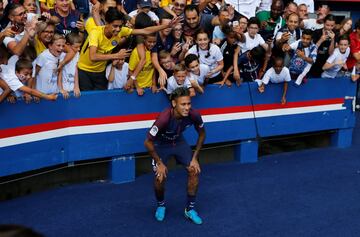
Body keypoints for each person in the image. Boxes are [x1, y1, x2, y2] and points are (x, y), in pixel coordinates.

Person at [144, 87, 205, 224]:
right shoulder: (163, 118)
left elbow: (202, 134)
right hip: (161, 145)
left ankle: (189, 209)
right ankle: (161, 205)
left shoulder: (194, 114)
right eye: (183, 104)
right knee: (160, 178)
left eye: (189, 103)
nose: (187, 107)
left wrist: (195, 158)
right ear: (174, 104)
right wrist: (159, 163)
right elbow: (147, 142)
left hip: (178, 142)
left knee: (194, 171)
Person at [77, 8, 177, 91]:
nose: (118, 29)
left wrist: (167, 26)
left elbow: (145, 31)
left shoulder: (121, 31)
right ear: (107, 23)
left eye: (120, 26)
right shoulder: (96, 33)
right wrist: (116, 56)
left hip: (100, 72)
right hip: (84, 70)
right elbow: (93, 56)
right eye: (115, 26)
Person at [58, 32, 83, 98]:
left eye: (79, 47)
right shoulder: (61, 54)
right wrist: (61, 88)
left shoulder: (77, 54)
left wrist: (76, 86)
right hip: (62, 87)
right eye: (76, 47)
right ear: (68, 45)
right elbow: (59, 72)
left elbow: (76, 69)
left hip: (72, 86)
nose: (79, 49)